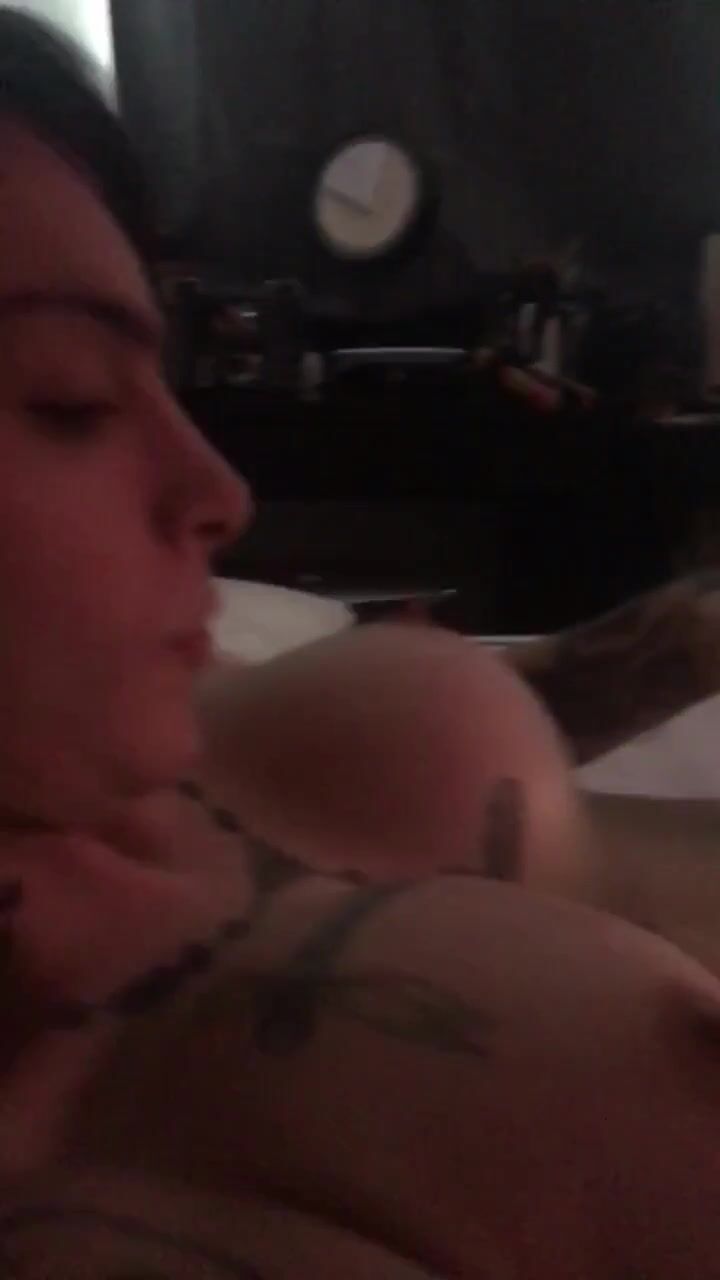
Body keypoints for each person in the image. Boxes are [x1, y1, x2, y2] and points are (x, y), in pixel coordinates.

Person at [2, 12, 720, 1278]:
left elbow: (543, 694)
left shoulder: (178, 745)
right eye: (71, 398)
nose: (220, 492)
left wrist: (681, 639)